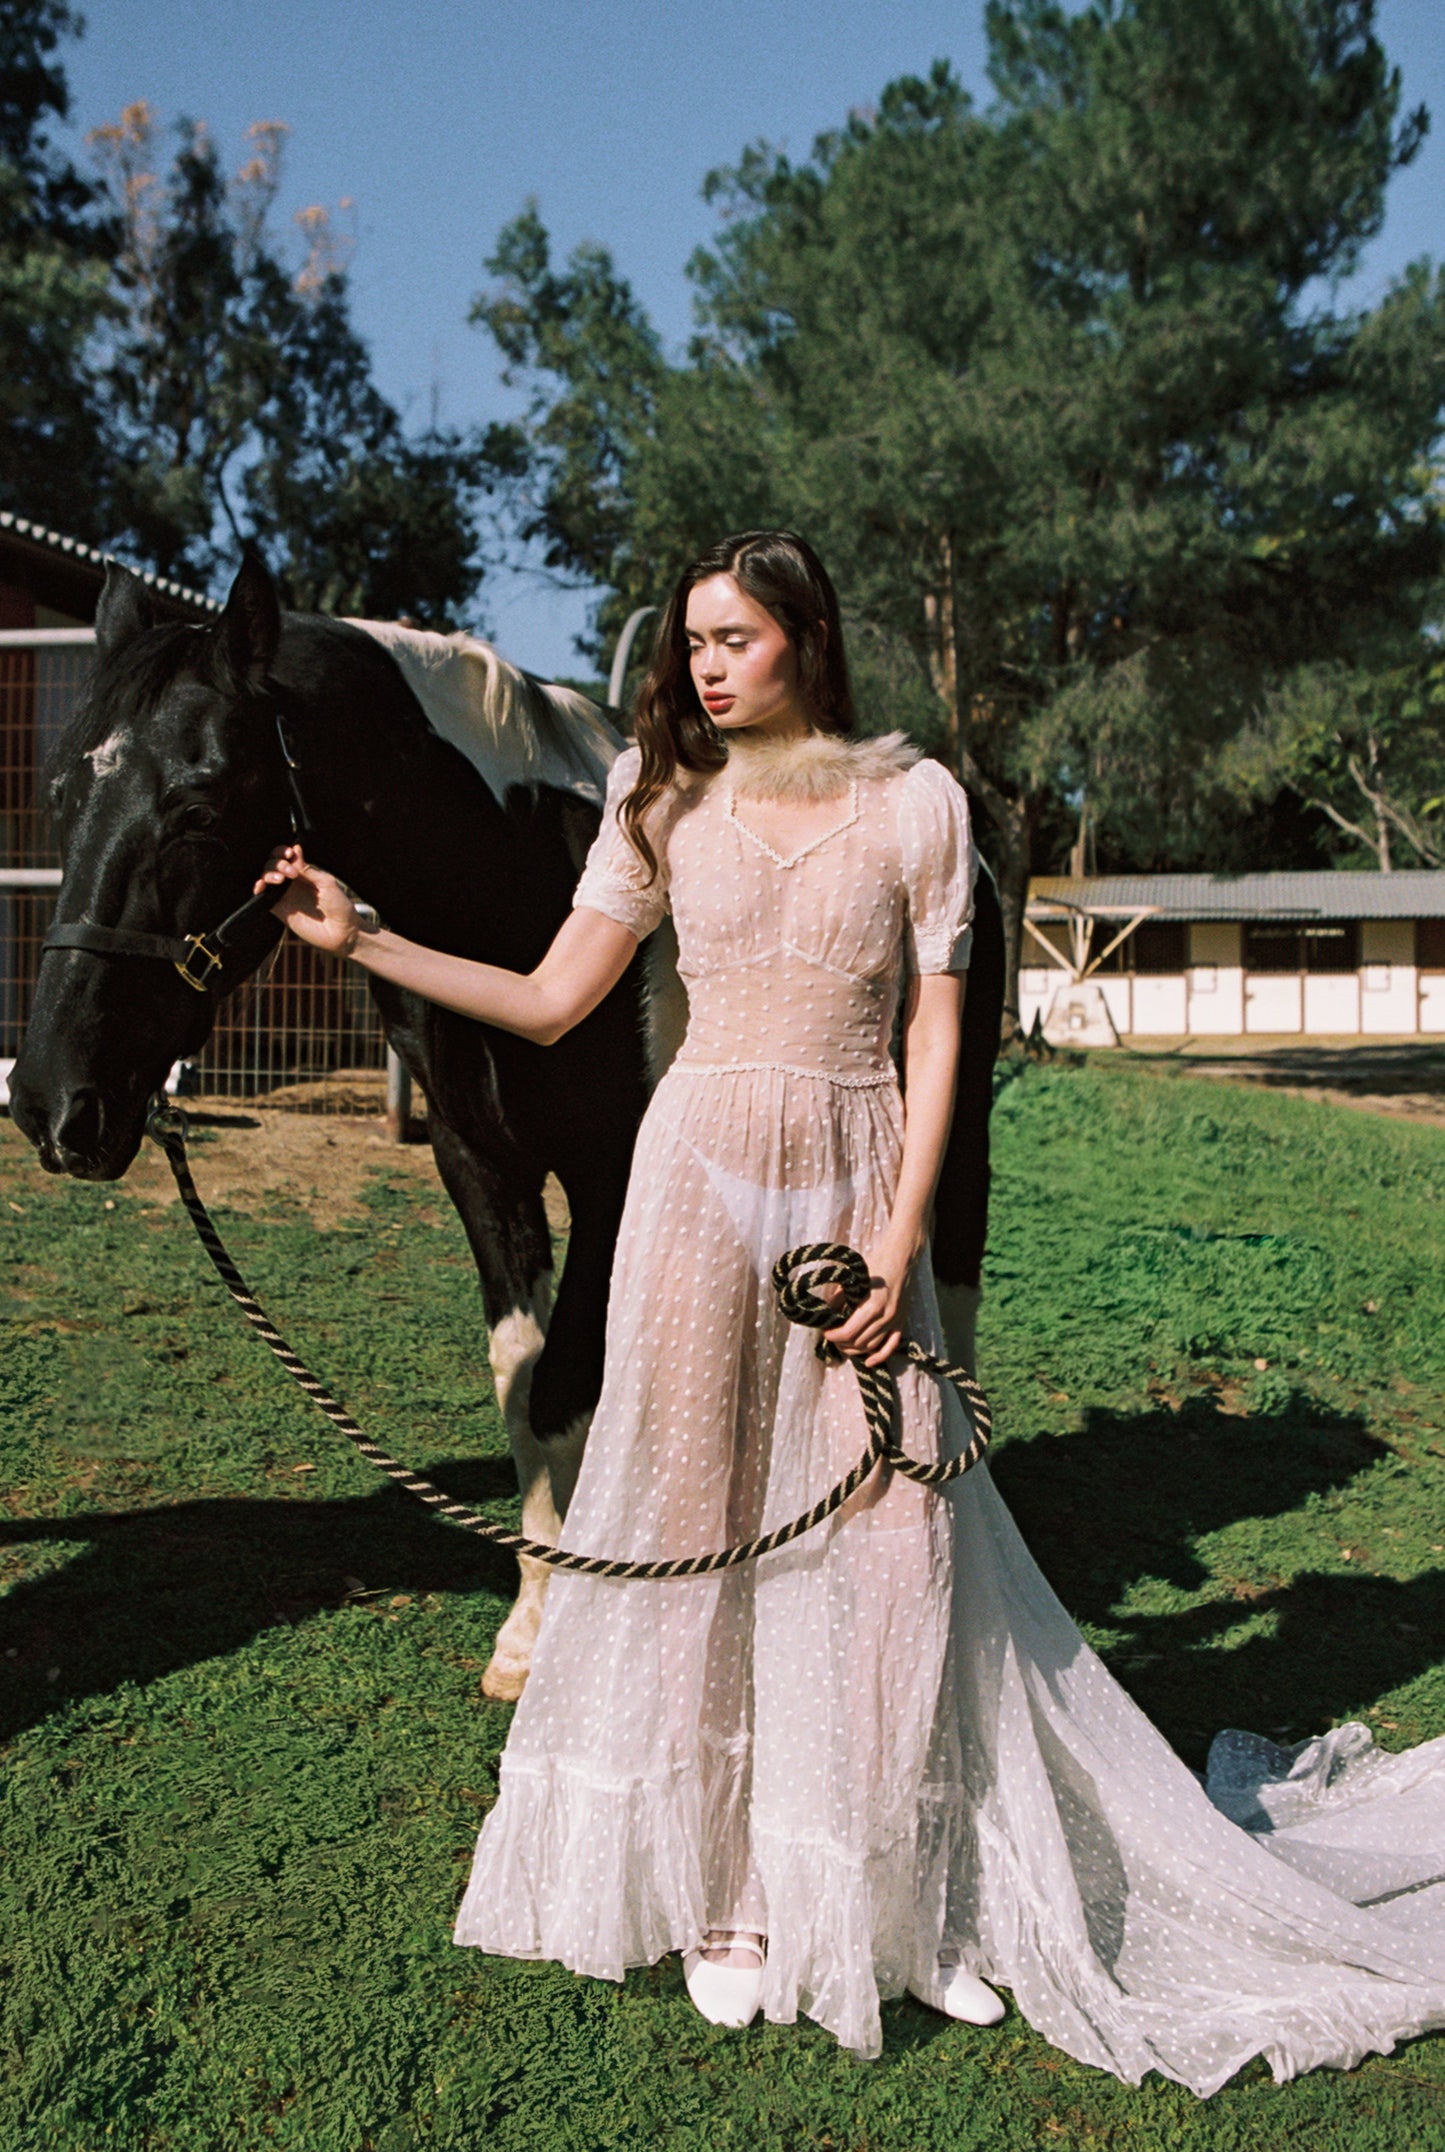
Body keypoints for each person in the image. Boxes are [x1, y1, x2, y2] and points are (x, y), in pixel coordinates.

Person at [260, 531, 1445, 2096]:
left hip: (851, 1168)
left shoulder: (918, 801)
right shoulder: (654, 798)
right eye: (689, 640)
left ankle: (906, 1889)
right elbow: (553, 997)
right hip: (695, 1183)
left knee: (896, 1534)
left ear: (805, 641)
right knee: (702, 1507)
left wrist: (897, 1247)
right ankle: (733, 1893)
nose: (700, 664)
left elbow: (941, 1039)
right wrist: (374, 942)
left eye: (732, 637)